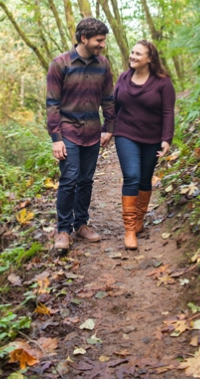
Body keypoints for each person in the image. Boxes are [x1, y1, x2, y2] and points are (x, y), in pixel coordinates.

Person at [46, 18, 116, 254]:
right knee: (69, 179)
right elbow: (52, 103)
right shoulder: (60, 64)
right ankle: (63, 230)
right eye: (99, 40)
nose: (102, 45)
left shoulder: (103, 65)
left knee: (86, 180)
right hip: (68, 132)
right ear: (84, 38)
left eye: (103, 40)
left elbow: (108, 99)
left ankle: (81, 224)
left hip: (93, 132)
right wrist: (56, 139)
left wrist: (109, 128)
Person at [113, 40, 175, 250]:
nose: (133, 56)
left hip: (152, 137)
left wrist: (167, 138)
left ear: (149, 58)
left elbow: (168, 111)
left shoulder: (162, 83)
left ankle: (139, 219)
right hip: (125, 133)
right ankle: (129, 229)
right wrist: (106, 129)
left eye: (138, 54)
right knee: (132, 176)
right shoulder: (123, 78)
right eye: (132, 52)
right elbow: (113, 106)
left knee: (145, 178)